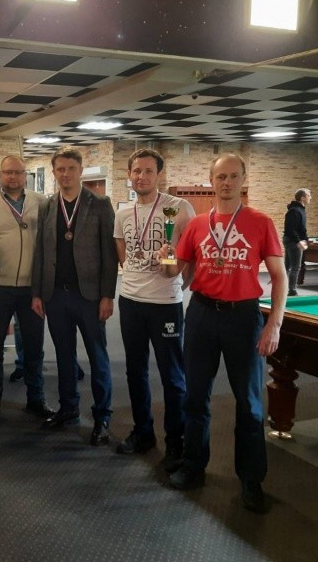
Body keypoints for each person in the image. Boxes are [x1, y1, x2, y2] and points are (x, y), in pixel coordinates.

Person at [161, 153, 286, 514]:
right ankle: (193, 465)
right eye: (221, 177)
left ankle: (251, 479)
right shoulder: (198, 225)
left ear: (243, 179)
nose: (227, 182)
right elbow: (173, 272)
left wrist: (274, 324)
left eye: (233, 176)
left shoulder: (260, 222)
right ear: (212, 180)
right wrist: (165, 257)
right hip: (201, 314)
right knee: (195, 396)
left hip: (243, 317)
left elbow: (279, 277)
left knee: (249, 403)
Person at [113, 148, 195, 472]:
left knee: (172, 376)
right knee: (135, 371)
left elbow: (190, 256)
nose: (142, 176)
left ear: (159, 174)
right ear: (129, 175)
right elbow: (123, 253)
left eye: (148, 171)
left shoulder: (179, 208)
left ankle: (176, 441)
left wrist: (178, 281)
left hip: (165, 305)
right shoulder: (123, 213)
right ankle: (143, 432)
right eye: (136, 171)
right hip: (130, 301)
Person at [32, 146, 118, 446]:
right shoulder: (47, 205)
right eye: (60, 169)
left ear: (81, 170)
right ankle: (68, 408)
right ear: (54, 172)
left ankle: (102, 417)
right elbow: (41, 252)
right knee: (64, 355)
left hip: (90, 296)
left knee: (97, 356)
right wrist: (37, 293)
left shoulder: (100, 204)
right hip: (56, 295)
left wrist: (107, 295)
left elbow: (109, 254)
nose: (65, 174)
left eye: (70, 168)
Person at [0, 154, 54, 420]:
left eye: (18, 172)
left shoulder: (41, 203)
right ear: (0, 175)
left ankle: (36, 398)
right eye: (8, 172)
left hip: (32, 289)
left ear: (25, 176)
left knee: (34, 347)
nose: (13, 177)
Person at [283, 188, 311, 296]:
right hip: (293, 241)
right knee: (295, 267)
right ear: (302, 198)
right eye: (308, 195)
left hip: (293, 240)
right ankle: (292, 291)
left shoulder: (300, 209)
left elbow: (301, 228)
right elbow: (290, 229)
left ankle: (283, 289)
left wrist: (306, 239)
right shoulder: (294, 211)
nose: (310, 197)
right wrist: (298, 241)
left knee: (287, 267)